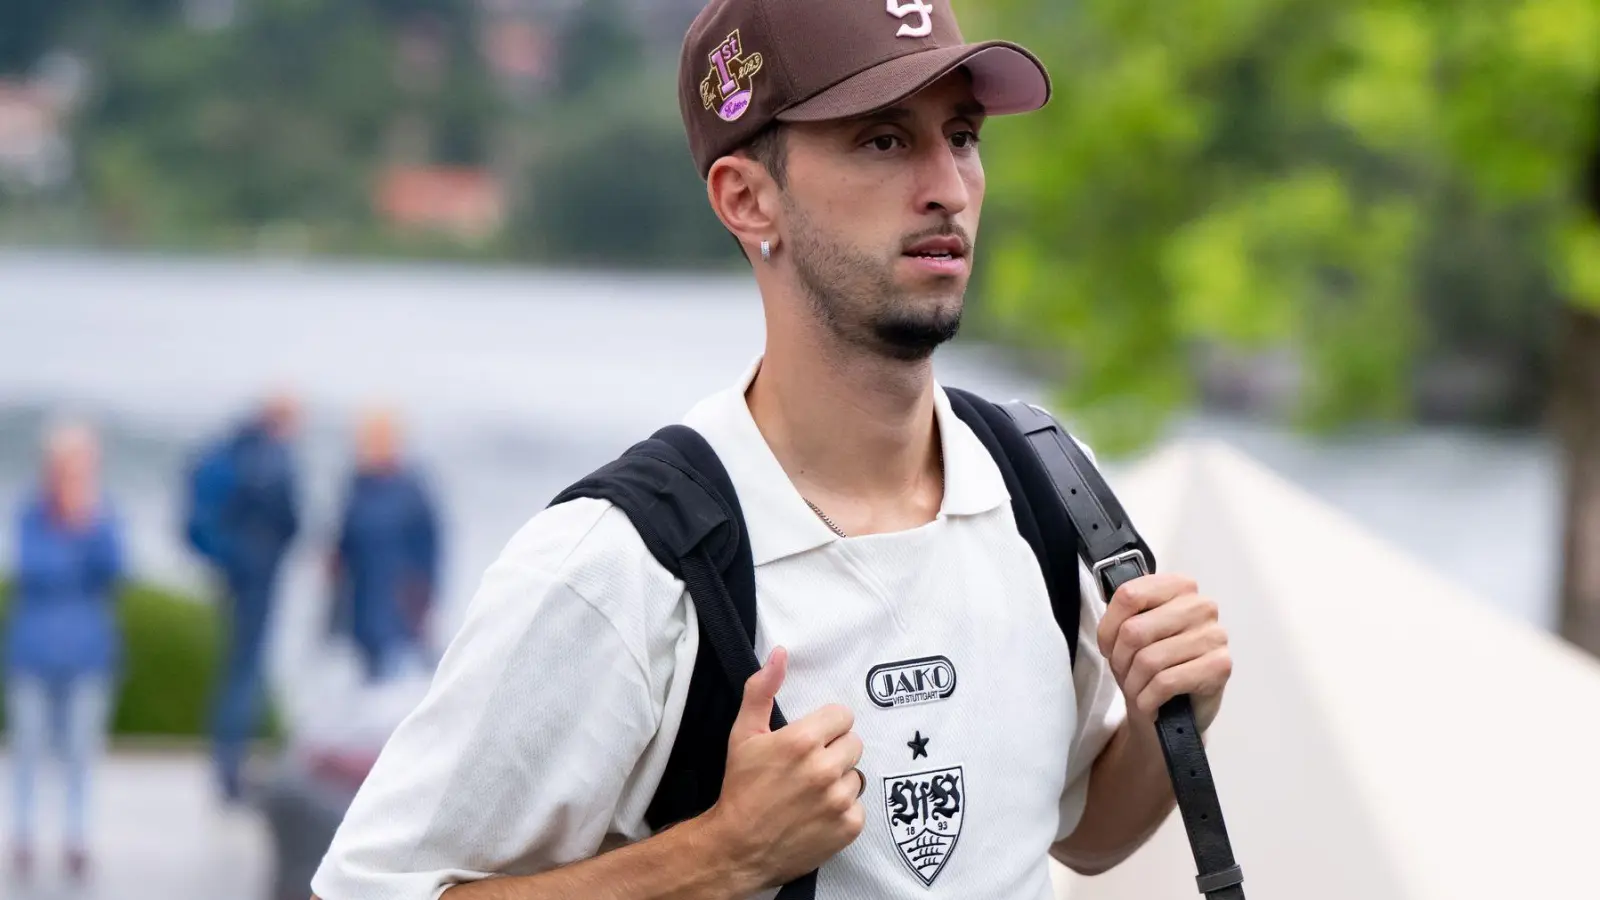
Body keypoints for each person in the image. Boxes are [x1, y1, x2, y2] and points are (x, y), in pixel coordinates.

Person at [310, 1, 1234, 897]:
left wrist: (1166, 718)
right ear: (748, 198)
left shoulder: (1045, 486)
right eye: (883, 139)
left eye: (960, 136)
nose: (948, 187)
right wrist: (718, 858)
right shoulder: (618, 564)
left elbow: (1081, 833)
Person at [4, 419, 123, 883]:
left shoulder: (103, 514)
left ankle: (77, 836)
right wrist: (75, 539)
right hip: (34, 652)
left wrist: (86, 523)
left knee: (80, 752)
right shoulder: (29, 513)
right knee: (28, 749)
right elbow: (37, 569)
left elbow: (115, 568)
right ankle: (24, 834)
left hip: (88, 653)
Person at [184, 392, 302, 803]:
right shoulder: (270, 458)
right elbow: (290, 519)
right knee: (245, 671)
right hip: (257, 576)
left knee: (234, 668)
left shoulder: (230, 450)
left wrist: (227, 559)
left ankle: (226, 764)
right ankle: (233, 766)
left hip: (231, 576)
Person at [326, 408, 441, 682]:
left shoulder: (412, 490)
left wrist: (425, 597)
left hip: (399, 595)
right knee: (363, 665)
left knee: (398, 668)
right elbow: (344, 537)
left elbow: (429, 547)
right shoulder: (356, 484)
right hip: (360, 593)